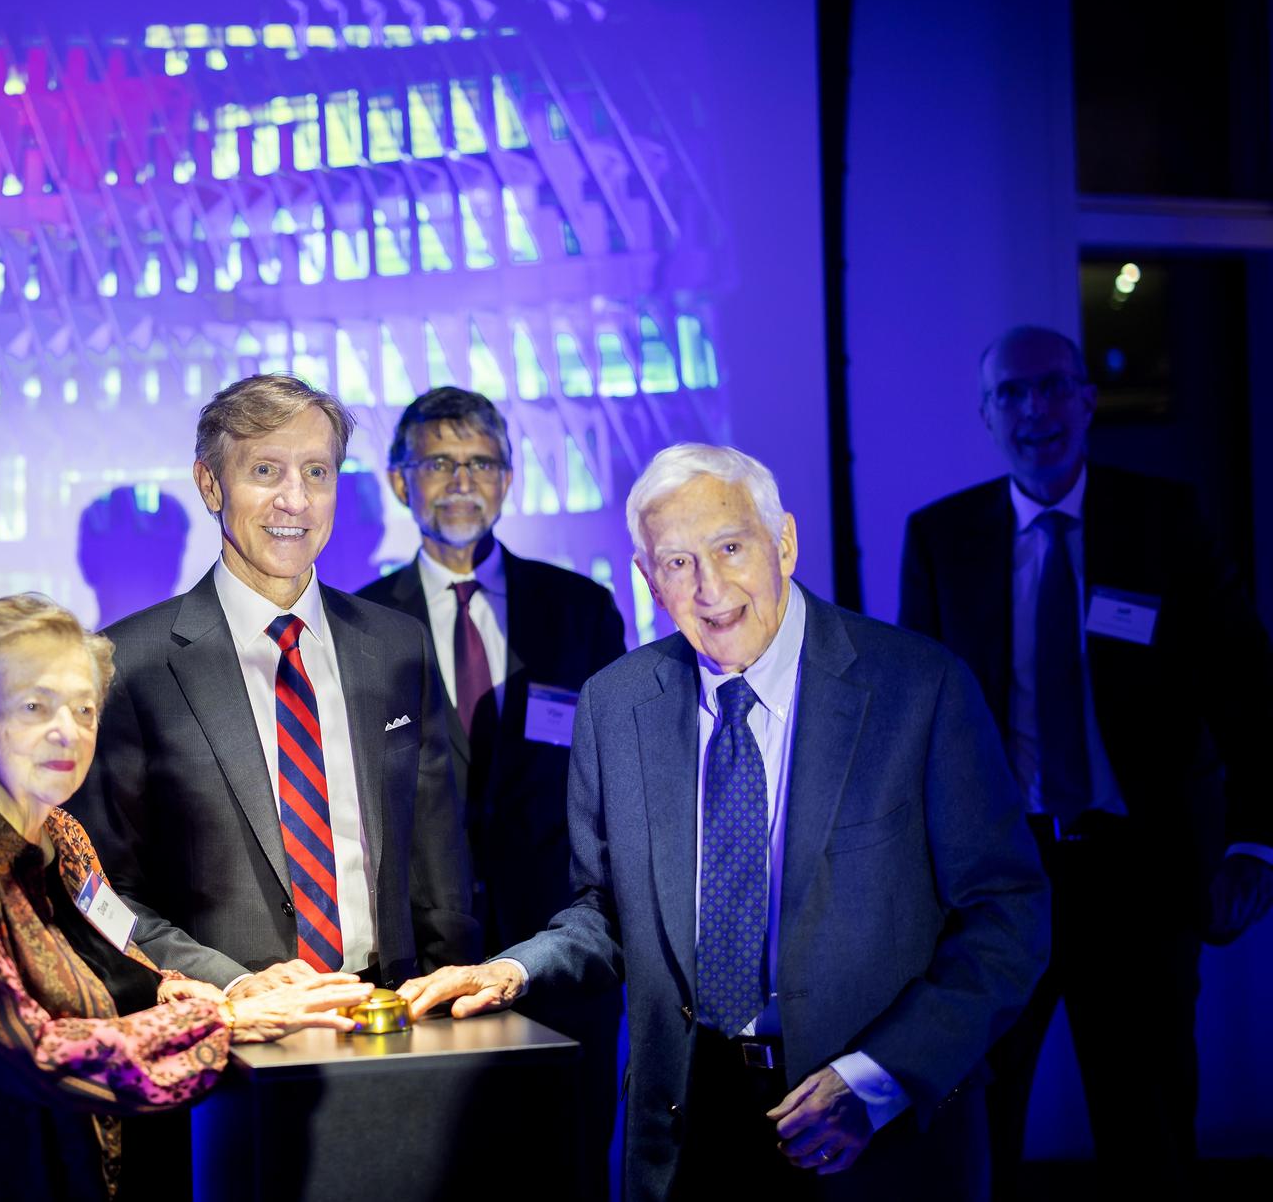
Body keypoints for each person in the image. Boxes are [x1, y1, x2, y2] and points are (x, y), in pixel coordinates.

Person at [402, 442, 1050, 1201]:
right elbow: (606, 910)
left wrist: (877, 1078)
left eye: (730, 547)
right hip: (688, 1124)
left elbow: (1009, 915)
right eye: (675, 563)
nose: (709, 588)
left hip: (872, 1128)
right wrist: (516, 968)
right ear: (646, 579)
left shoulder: (919, 687)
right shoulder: (617, 704)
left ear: (785, 541)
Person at [899, 325, 1273, 1195]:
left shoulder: (1166, 522)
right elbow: (913, 731)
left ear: (1089, 399)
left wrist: (1256, 841)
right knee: (977, 1128)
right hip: (997, 881)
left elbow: (1248, 689)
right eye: (1013, 394)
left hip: (1138, 877)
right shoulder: (942, 538)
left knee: (1147, 1129)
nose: (1037, 410)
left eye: (1055, 387)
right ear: (987, 416)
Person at [0, 594, 369, 1201]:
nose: (68, 730)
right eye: (35, 706)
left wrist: (209, 988)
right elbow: (22, 1048)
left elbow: (114, 958)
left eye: (85, 709)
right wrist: (221, 1020)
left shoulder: (61, 833)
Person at [67, 373, 479, 996]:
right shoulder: (130, 664)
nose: (296, 500)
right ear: (211, 485)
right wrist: (231, 987)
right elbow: (104, 889)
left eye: (317, 473)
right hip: (226, 1035)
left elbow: (438, 864)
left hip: (393, 1015)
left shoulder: (397, 645)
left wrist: (448, 1003)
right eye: (265, 471)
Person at [357, 386, 626, 950]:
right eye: (438, 464)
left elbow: (619, 778)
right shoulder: (355, 622)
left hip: (562, 940)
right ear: (401, 482)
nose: (462, 482)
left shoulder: (581, 610)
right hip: (420, 949)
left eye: (481, 463)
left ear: (506, 480)